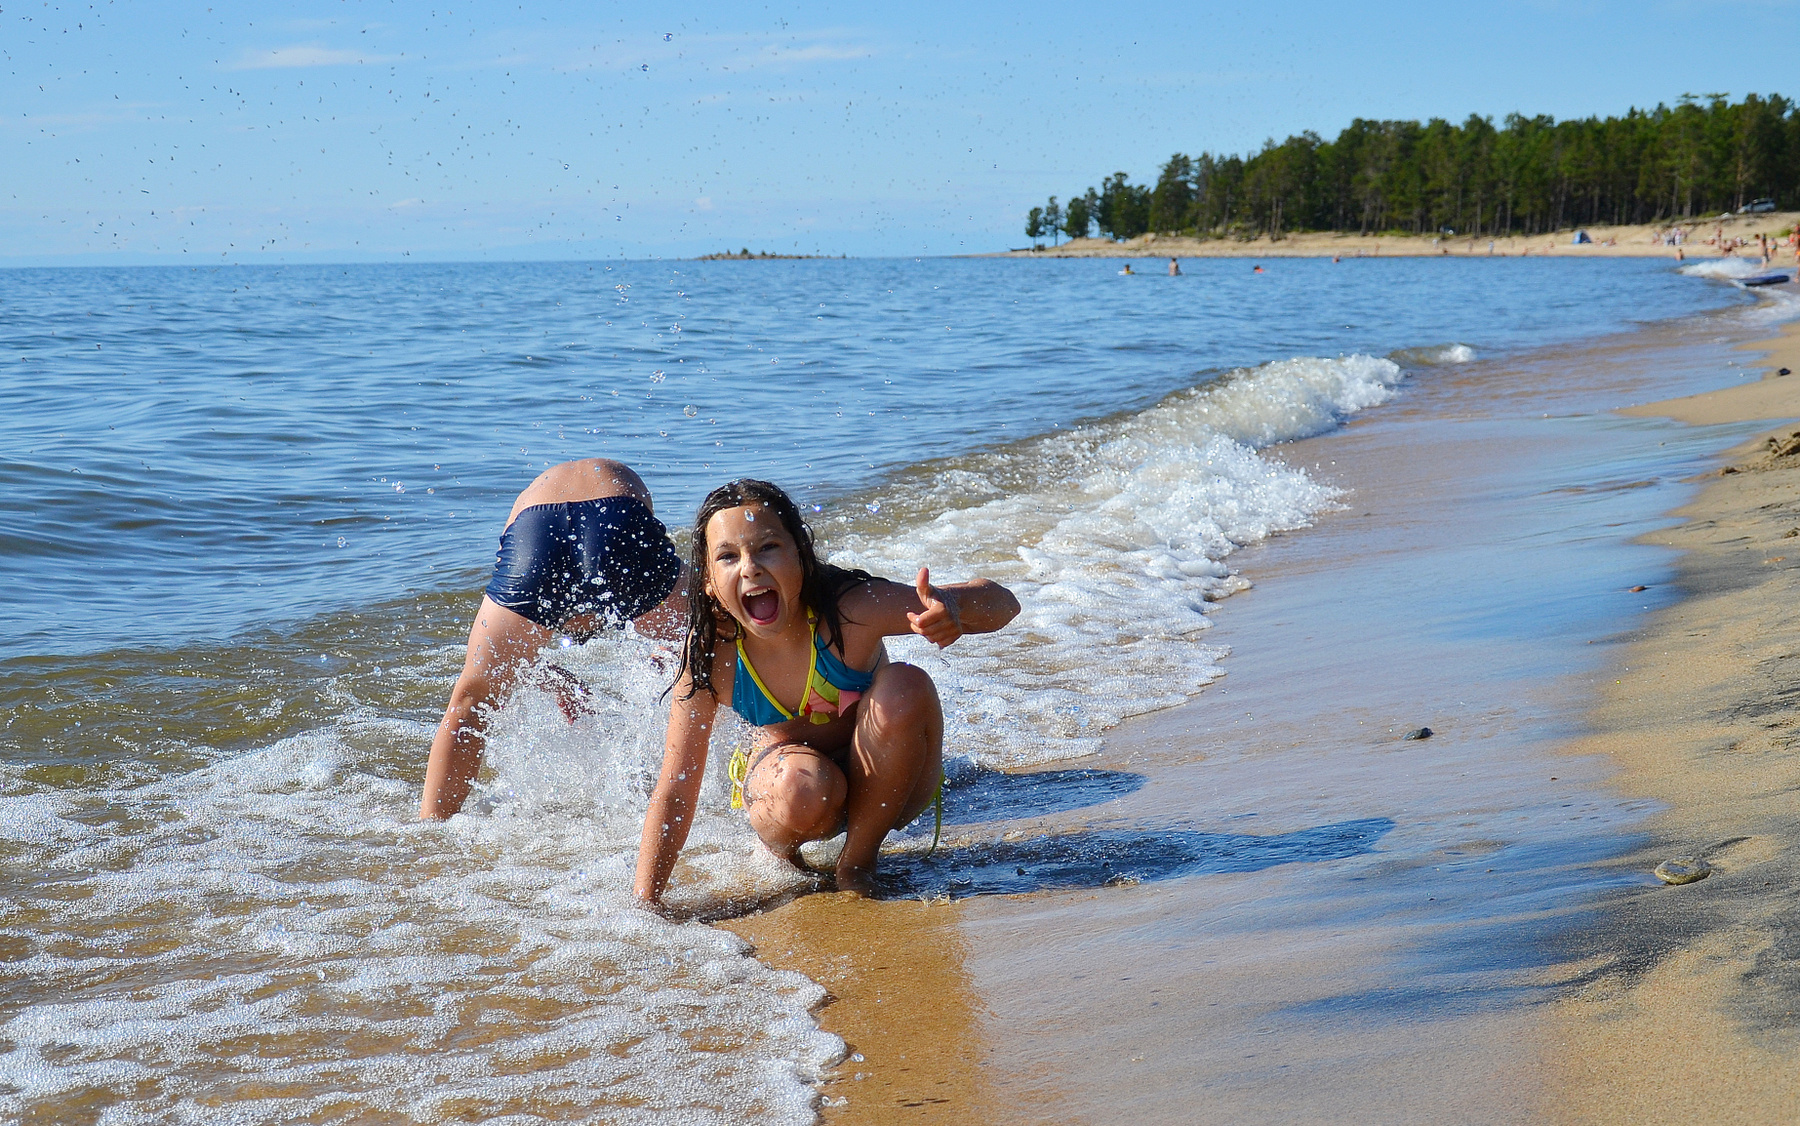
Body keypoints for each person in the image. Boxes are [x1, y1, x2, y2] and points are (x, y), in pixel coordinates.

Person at [634, 479, 1020, 903]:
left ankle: (857, 864)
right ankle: (784, 860)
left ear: (802, 556)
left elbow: (1005, 604)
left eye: (767, 547)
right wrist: (645, 901)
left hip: (894, 782)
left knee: (905, 684)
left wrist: (953, 608)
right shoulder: (712, 656)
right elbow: (675, 785)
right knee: (800, 787)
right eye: (728, 556)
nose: (749, 567)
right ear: (708, 581)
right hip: (792, 794)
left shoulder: (850, 612)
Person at [420, 458, 687, 820]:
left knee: (472, 699)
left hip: (535, 533)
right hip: (618, 519)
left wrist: (551, 678)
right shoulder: (616, 487)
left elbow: (519, 646)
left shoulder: (536, 497)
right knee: (717, 651)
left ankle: (432, 831)